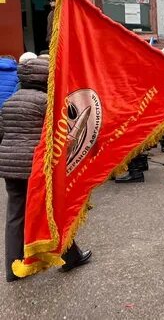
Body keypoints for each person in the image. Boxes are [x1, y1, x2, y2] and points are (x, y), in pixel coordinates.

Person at [0, 56, 90, 281]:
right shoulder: (46, 103)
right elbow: (57, 137)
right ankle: (71, 257)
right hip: (37, 168)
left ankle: (13, 268)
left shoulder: (10, 101)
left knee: (15, 215)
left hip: (10, 166)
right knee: (53, 210)